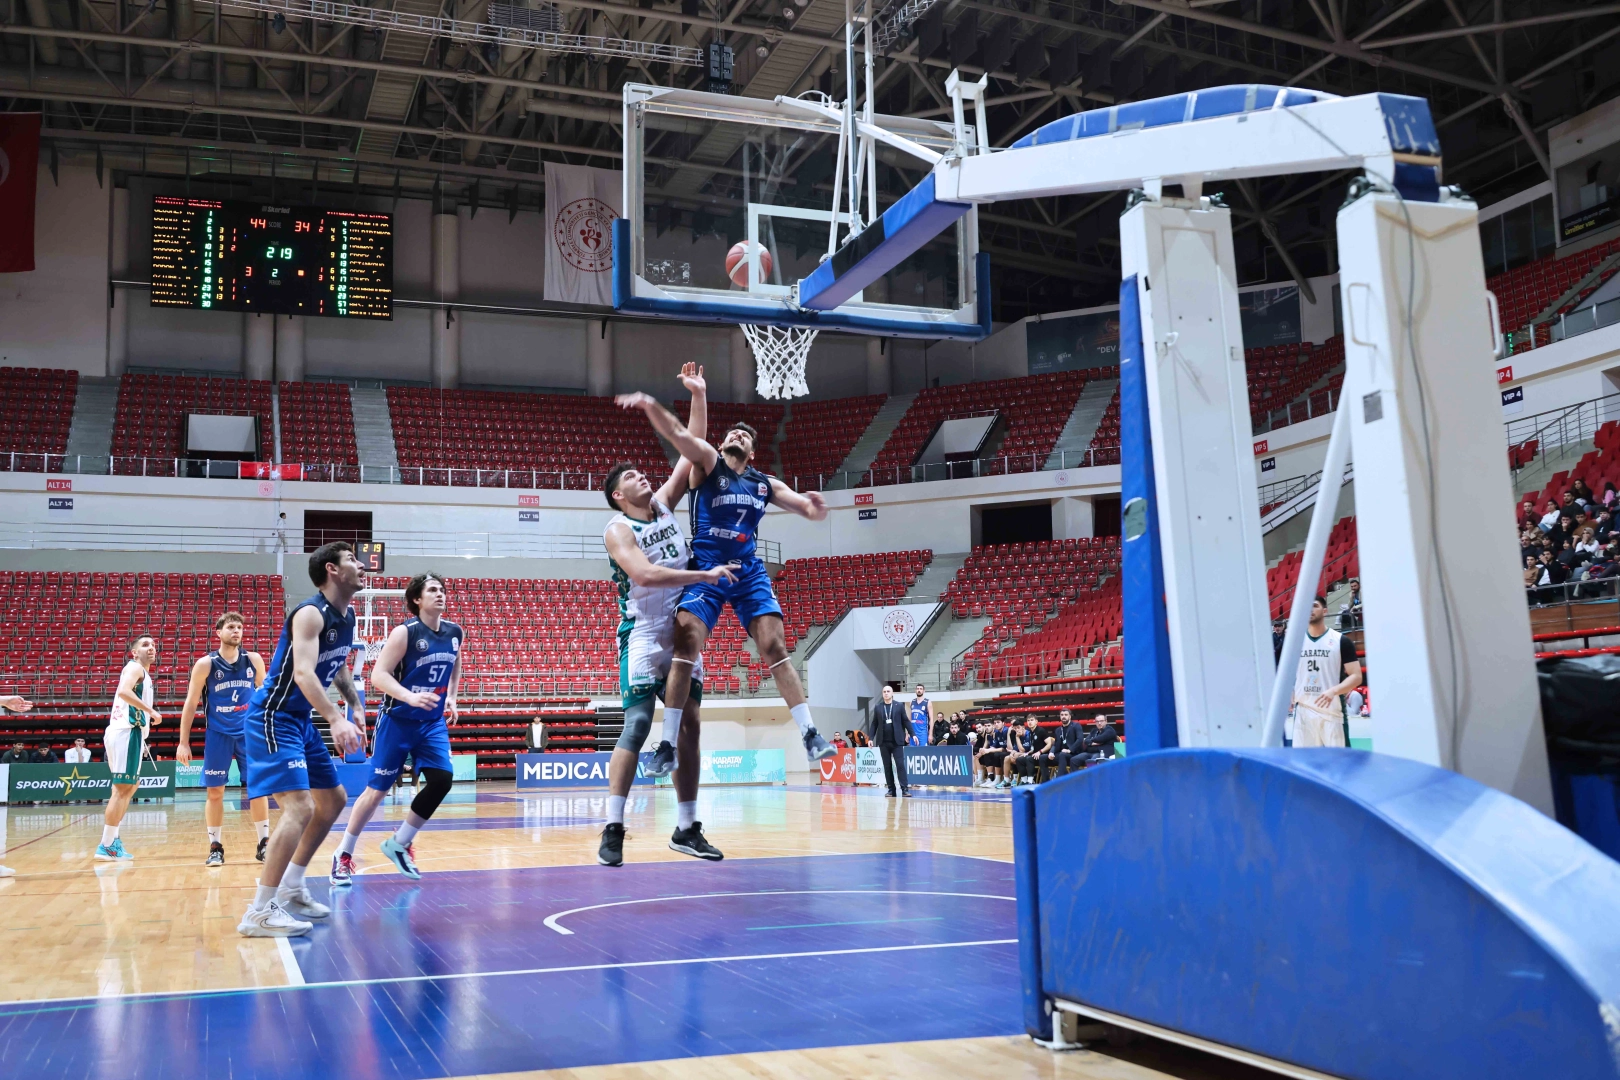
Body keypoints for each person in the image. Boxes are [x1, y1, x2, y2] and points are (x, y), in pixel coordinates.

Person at [616, 390, 835, 773]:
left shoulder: (764, 484)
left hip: (748, 572)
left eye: (744, 437)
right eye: (732, 434)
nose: (737, 437)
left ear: (752, 452)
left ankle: (810, 734)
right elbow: (681, 436)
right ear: (721, 444)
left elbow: (801, 505)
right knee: (686, 644)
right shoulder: (707, 465)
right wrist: (653, 405)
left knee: (774, 646)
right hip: (708, 568)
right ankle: (667, 744)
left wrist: (813, 511)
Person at [598, 367, 741, 867]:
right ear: (619, 494)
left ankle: (687, 827)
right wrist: (702, 578)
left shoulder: (661, 505)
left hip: (678, 631)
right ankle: (613, 826)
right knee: (637, 726)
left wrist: (699, 394)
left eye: (642, 472)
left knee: (692, 726)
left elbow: (692, 447)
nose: (644, 475)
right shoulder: (618, 530)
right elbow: (647, 574)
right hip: (642, 634)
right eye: (632, 476)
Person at [237, 541, 366, 938]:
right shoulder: (310, 613)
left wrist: (354, 701)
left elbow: (336, 663)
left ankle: (292, 885)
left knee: (334, 800)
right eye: (352, 560)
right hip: (273, 717)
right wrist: (335, 719)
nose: (361, 565)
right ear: (331, 569)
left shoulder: (347, 617)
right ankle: (258, 911)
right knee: (299, 807)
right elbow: (305, 674)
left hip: (299, 720)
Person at [332, 572, 464, 885]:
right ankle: (344, 853)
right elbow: (379, 675)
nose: (440, 593)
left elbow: (455, 661)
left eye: (442, 589)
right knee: (376, 792)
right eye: (432, 590)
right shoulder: (404, 633)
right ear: (417, 599)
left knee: (442, 780)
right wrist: (409, 696)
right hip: (398, 721)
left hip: (431, 723)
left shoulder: (455, 631)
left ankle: (400, 842)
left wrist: (454, 697)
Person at [177, 612, 271, 866]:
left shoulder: (254, 660)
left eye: (240, 627)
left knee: (258, 789)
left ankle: (264, 843)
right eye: (231, 627)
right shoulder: (206, 664)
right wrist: (183, 742)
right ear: (218, 632)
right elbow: (190, 704)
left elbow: (265, 696)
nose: (236, 631)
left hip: (249, 735)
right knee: (215, 792)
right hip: (218, 734)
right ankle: (215, 846)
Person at [98, 634, 160, 862]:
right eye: (145, 645)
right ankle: (106, 844)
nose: (151, 647)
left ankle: (112, 840)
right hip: (127, 731)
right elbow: (124, 691)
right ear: (134, 652)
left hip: (125, 732)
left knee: (129, 787)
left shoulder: (141, 671)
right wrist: (151, 711)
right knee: (124, 788)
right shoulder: (135, 668)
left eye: (153, 644)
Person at [1287, 595, 1363, 748]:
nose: (1310, 609)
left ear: (1325, 611)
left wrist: (1334, 691)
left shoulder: (1341, 640)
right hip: (1303, 711)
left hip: (1332, 713)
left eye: (1314, 605)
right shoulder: (1294, 641)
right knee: (1302, 765)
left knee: (1339, 765)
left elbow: (1356, 676)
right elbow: (1288, 673)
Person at [869, 684, 913, 797]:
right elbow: (874, 724)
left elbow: (906, 721)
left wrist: (913, 734)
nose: (886, 693)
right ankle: (891, 789)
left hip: (897, 742)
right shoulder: (878, 707)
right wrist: (870, 738)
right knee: (887, 766)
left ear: (892, 693)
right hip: (883, 742)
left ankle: (904, 789)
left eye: (888, 691)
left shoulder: (899, 706)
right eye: (884, 691)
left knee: (900, 765)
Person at [1051, 708, 1086, 776]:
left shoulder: (1076, 726)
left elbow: (1080, 739)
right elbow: (1055, 744)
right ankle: (1044, 783)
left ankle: (1059, 780)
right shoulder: (1058, 730)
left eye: (1066, 715)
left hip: (1074, 753)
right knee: (1043, 758)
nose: (1063, 716)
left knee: (1062, 755)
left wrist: (1069, 750)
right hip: (1062, 754)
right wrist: (1051, 752)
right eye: (1062, 715)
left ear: (1070, 716)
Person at [975, 718, 1009, 787]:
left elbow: (1003, 748)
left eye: (988, 726)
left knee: (993, 755)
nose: (987, 728)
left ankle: (997, 778)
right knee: (981, 755)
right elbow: (987, 746)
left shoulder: (998, 733)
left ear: (993, 726)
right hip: (997, 752)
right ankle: (987, 778)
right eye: (985, 726)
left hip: (1004, 752)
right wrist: (982, 750)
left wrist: (988, 750)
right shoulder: (988, 735)